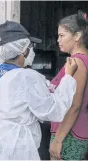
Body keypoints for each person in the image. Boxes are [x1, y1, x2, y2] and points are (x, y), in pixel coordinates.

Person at [0, 20, 78, 160]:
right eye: (30, 46)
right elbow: (53, 111)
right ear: (23, 51)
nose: (32, 50)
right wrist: (68, 78)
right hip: (16, 143)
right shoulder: (28, 77)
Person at [49, 10, 88, 160]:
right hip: (73, 130)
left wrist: (58, 140)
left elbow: (74, 105)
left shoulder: (77, 62)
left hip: (69, 133)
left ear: (77, 36)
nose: (58, 40)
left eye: (62, 35)